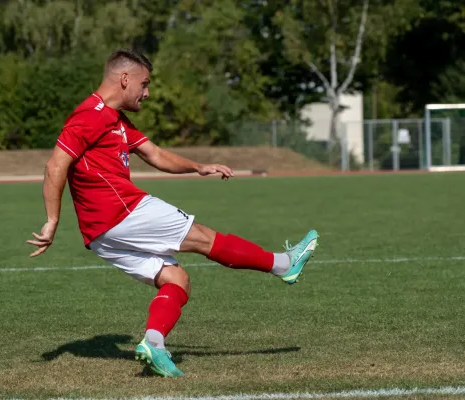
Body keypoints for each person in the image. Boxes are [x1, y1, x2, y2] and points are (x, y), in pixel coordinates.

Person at [27, 49, 318, 377]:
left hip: (100, 234)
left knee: (177, 279)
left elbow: (155, 154)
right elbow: (55, 166)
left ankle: (154, 344)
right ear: (125, 79)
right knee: (204, 238)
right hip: (122, 211)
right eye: (145, 83)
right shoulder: (90, 115)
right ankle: (283, 264)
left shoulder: (117, 121)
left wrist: (198, 167)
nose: (147, 92)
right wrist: (52, 220)